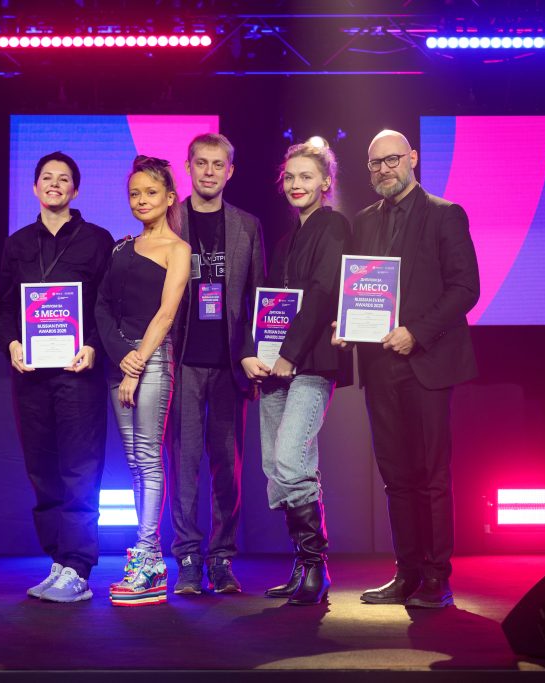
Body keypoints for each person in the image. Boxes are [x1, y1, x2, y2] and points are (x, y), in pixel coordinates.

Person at [336, 130, 479, 608]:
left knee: (431, 475)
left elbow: (466, 288)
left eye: (392, 159)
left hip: (428, 362)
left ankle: (438, 577)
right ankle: (407, 572)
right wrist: (346, 323)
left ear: (412, 158)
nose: (383, 170)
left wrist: (415, 332)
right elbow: (361, 289)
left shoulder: (445, 214)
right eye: (374, 164)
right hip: (380, 365)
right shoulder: (363, 221)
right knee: (396, 476)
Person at [0, 152, 114, 602]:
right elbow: (5, 306)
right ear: (34, 187)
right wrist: (12, 344)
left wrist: (94, 347)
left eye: (64, 179)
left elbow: (108, 305)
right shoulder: (17, 243)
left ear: (75, 190)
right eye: (46, 177)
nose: (54, 184)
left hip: (77, 373)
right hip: (30, 376)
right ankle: (59, 561)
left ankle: (79, 568)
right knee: (42, 470)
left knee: (80, 469)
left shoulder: (97, 240)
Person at [241, 139, 351, 606]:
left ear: (326, 182)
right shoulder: (285, 241)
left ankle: (316, 566)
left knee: (290, 460)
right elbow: (268, 306)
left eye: (306, 176)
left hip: (311, 364)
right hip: (274, 369)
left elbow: (324, 292)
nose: (296, 184)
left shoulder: (334, 226)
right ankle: (303, 567)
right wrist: (253, 354)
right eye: (289, 177)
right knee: (276, 468)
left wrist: (287, 353)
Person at [167, 133, 266, 595]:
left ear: (230, 171)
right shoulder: (169, 218)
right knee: (183, 465)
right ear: (187, 167)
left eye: (217, 164)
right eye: (201, 163)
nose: (209, 171)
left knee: (228, 467)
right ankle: (188, 557)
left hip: (230, 364)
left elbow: (257, 297)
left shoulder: (247, 225)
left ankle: (222, 558)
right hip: (182, 360)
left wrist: (254, 356)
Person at [96, 156, 190, 606]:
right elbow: (102, 307)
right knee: (135, 462)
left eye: (150, 192)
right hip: (122, 359)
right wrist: (123, 358)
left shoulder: (178, 249)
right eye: (134, 193)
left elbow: (166, 314)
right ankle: (146, 563)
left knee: (149, 459)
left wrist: (136, 363)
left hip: (151, 359)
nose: (141, 200)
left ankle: (150, 559)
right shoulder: (120, 249)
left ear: (169, 198)